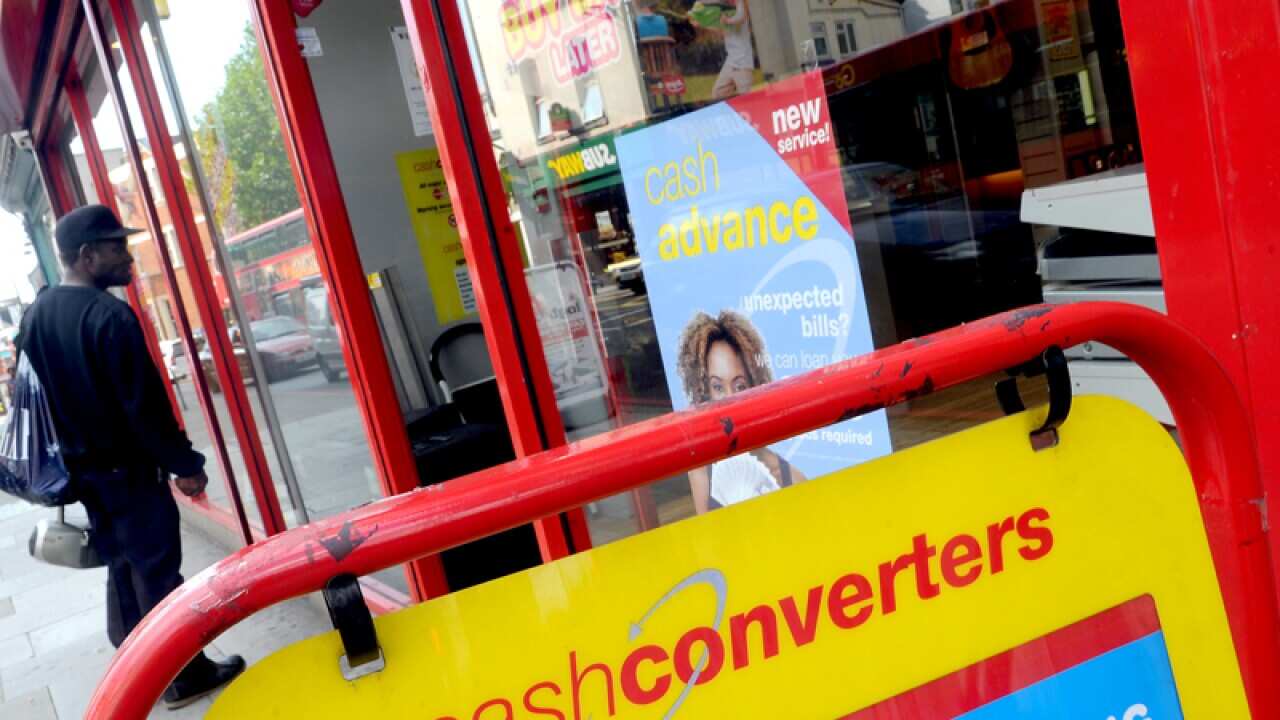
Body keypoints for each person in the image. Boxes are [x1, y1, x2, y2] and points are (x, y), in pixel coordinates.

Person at [16, 205, 244, 710]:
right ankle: (183, 676)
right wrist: (186, 464)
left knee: (122, 565)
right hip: (128, 472)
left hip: (85, 475)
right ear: (87, 255)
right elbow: (146, 408)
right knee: (158, 572)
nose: (128, 257)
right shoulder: (109, 316)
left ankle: (135, 662)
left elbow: (36, 396)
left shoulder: (37, 314)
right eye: (117, 247)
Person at [676, 310, 807, 514]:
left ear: (755, 385)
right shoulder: (701, 470)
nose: (730, 399)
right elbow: (710, 540)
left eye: (739, 386)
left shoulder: (792, 477)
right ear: (703, 390)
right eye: (717, 387)